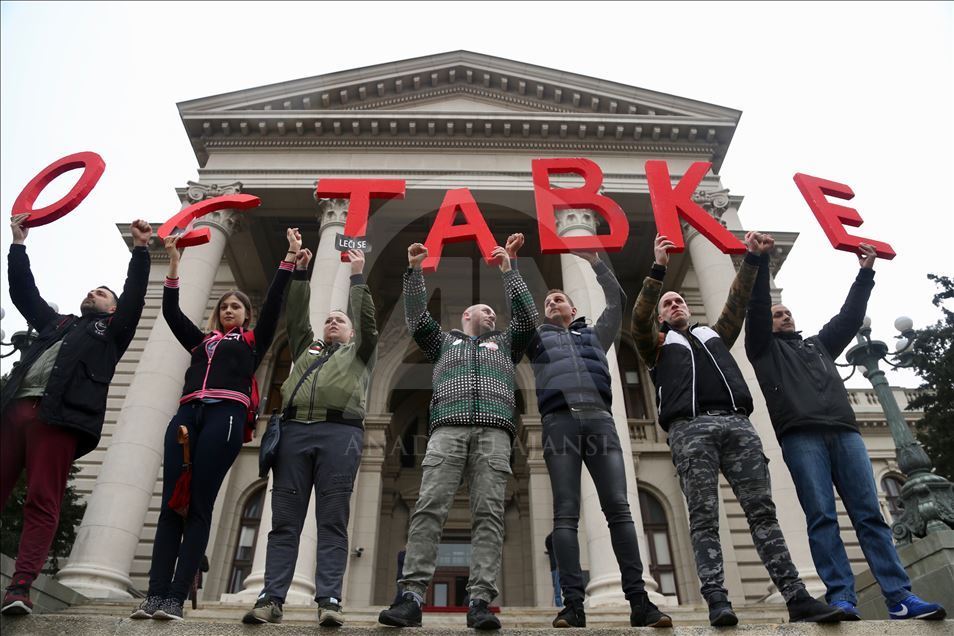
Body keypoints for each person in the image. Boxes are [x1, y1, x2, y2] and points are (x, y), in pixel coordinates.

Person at [631, 232, 846, 627]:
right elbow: (639, 316)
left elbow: (736, 302)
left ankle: (796, 596)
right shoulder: (655, 344)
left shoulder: (713, 334)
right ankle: (717, 600)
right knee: (703, 517)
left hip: (738, 425)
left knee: (763, 513)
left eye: (679, 300)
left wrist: (751, 260)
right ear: (662, 316)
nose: (675, 303)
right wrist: (658, 268)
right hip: (690, 429)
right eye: (668, 303)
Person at [745, 242, 946, 621]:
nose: (783, 316)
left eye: (787, 312)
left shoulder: (819, 345)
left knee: (869, 515)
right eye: (777, 314)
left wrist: (866, 273)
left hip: (846, 434)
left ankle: (900, 597)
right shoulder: (763, 350)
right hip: (801, 437)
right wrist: (757, 263)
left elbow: (850, 317)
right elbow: (755, 310)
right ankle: (841, 597)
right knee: (821, 516)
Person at [132, 227, 298, 621]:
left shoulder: (253, 342)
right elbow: (171, 312)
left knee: (199, 506)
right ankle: (154, 595)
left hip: (226, 416)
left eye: (236, 307)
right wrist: (174, 263)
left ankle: (175, 598)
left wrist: (288, 258)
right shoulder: (200, 342)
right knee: (172, 505)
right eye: (224, 306)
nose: (228, 310)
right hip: (187, 415)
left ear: (246, 315)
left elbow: (275, 302)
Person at [378, 238, 537, 630]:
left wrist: (510, 271)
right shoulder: (444, 342)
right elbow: (416, 320)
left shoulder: (505, 344)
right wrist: (414, 272)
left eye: (494, 313)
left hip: (495, 433)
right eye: (485, 311)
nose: (492, 317)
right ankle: (411, 597)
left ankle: (480, 601)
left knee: (489, 514)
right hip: (447, 430)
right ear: (467, 316)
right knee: (429, 508)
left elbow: (528, 319)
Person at [1, 215, 152, 616]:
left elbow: (135, 297)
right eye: (91, 289)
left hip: (58, 420)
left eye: (102, 293)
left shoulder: (113, 331)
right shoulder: (58, 324)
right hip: (15, 410)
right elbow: (24, 294)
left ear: (112, 307)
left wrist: (140, 251)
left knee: (41, 500)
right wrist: (18, 244)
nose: (93, 293)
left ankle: (20, 586)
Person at [516, 237, 669, 629]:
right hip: (559, 423)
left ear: (573, 308)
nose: (552, 303)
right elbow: (519, 308)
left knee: (619, 509)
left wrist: (598, 264)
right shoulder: (538, 339)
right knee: (565, 514)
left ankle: (640, 602)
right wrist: (512, 266)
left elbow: (616, 302)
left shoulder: (594, 337)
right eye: (547, 301)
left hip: (601, 420)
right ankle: (573, 606)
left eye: (558, 299)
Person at [242, 248, 378, 627]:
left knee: (332, 521)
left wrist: (356, 276)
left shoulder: (360, 353)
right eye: (330, 319)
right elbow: (299, 317)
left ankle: (329, 600)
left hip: (340, 434)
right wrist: (301, 273)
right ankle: (271, 599)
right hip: (295, 434)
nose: (334, 322)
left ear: (351, 333)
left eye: (340, 320)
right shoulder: (307, 349)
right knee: (285, 522)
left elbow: (368, 321)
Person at [544, 533, 562, 609]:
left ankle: (562, 606)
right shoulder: (551, 543)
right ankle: (560, 607)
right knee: (557, 588)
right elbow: (548, 540)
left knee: (558, 588)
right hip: (555, 568)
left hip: (560, 567)